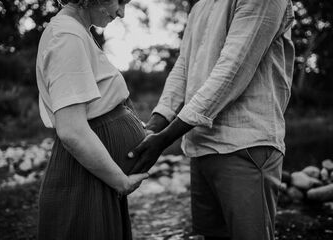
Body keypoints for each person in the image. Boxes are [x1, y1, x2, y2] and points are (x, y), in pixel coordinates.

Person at [128, 0, 295, 239]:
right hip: (200, 147)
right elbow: (183, 68)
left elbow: (233, 70)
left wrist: (164, 139)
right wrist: (152, 127)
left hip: (245, 145)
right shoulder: (201, 6)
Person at [35, 0, 149, 239]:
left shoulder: (76, 32)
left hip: (95, 177)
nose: (121, 12)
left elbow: (99, 105)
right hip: (86, 179)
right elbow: (72, 130)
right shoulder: (66, 36)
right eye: (119, 1)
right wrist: (121, 182)